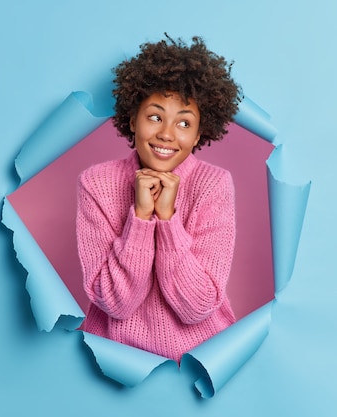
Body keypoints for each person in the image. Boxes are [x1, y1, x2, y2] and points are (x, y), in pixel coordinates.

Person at [76, 35, 242, 362]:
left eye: (184, 122)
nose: (167, 133)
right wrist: (139, 218)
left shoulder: (214, 184)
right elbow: (115, 303)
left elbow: (197, 307)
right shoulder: (96, 183)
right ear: (132, 119)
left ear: (199, 134)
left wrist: (167, 221)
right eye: (154, 116)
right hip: (115, 360)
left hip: (200, 362)